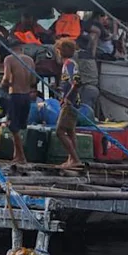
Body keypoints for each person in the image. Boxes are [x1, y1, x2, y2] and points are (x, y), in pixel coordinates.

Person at [0, 40, 36, 164]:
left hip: (14, 95)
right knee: (20, 126)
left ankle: (21, 156)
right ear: (21, 48)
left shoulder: (9, 59)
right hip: (26, 96)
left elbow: (7, 77)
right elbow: (33, 80)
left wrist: (2, 86)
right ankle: (16, 155)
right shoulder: (30, 60)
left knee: (13, 126)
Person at [54, 38, 83, 169]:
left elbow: (75, 83)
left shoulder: (68, 64)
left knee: (59, 131)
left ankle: (75, 159)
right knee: (70, 131)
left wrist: (66, 98)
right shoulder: (71, 63)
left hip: (70, 102)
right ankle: (71, 159)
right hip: (73, 101)